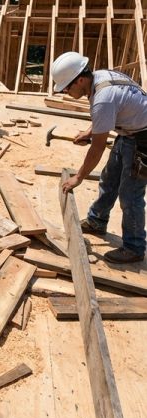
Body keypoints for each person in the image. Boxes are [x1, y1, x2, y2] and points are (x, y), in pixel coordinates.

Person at [54, 51, 147, 264]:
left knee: (130, 193)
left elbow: (96, 149)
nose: (66, 92)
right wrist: (90, 131)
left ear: (80, 79)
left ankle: (134, 247)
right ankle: (97, 221)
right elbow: (107, 114)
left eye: (67, 87)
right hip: (130, 131)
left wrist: (78, 177)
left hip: (143, 137)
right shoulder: (100, 77)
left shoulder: (102, 99)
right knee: (109, 177)